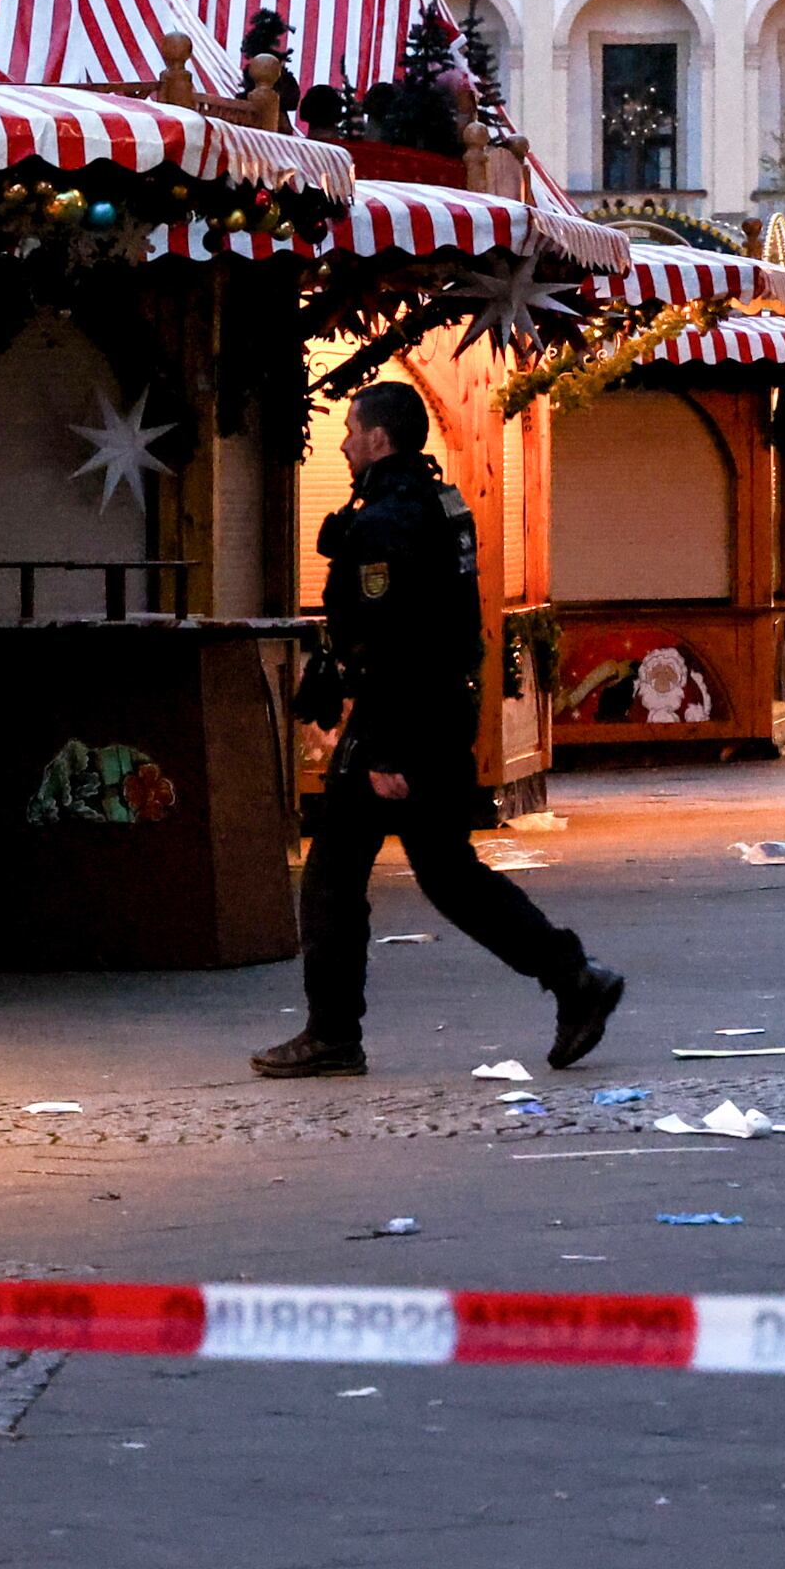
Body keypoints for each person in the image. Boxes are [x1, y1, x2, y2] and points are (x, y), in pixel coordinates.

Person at [253, 382, 623, 1079]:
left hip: (403, 722)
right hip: (439, 714)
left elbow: (400, 640)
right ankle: (575, 975)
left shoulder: (389, 522)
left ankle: (333, 1034)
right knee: (450, 875)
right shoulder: (439, 503)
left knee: (332, 876)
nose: (342, 442)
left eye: (352, 430)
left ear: (380, 439)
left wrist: (384, 748)